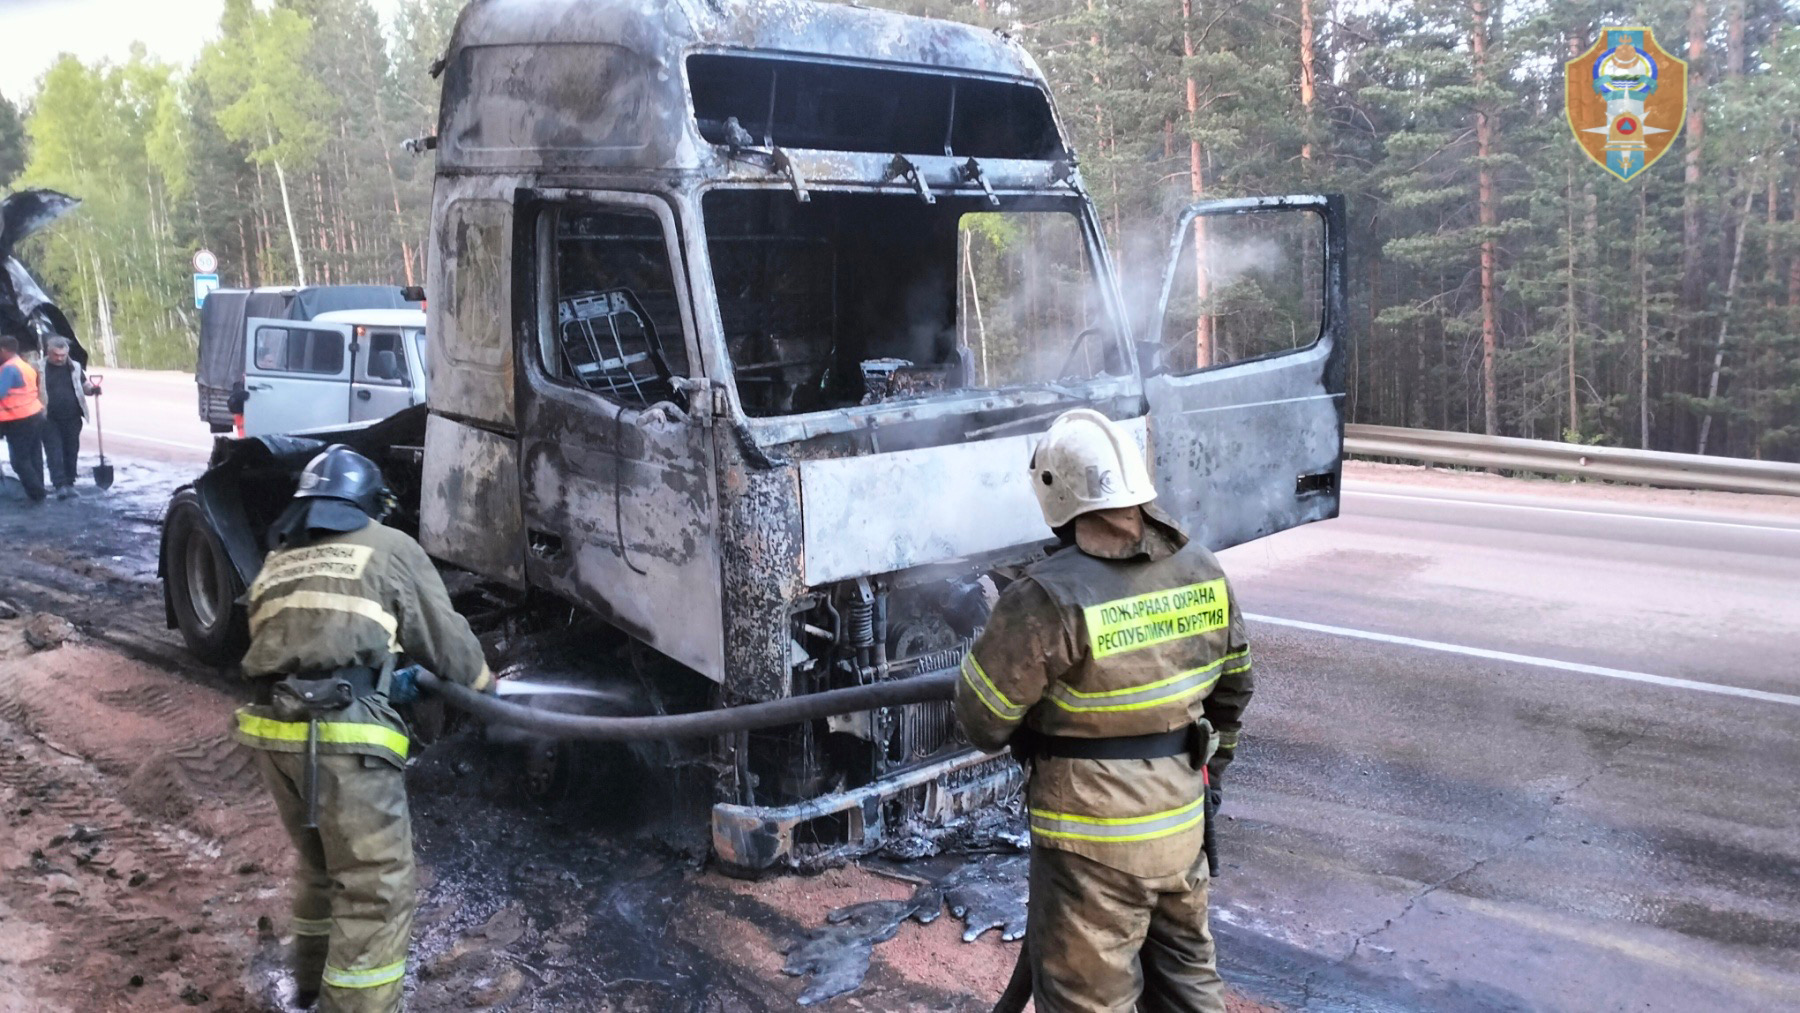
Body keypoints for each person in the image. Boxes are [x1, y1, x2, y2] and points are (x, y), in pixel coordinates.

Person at [953, 408, 1254, 1013]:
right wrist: (1204, 783)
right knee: (1190, 995)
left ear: (1054, 493)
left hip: (1089, 847)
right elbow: (1234, 691)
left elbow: (981, 720)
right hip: (1180, 832)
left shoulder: (1046, 595)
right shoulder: (1202, 569)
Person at [232, 445, 495, 1012]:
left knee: (325, 866)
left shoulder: (278, 560)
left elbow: (299, 648)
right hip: (342, 741)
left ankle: (307, 988)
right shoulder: (391, 546)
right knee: (376, 887)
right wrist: (483, 684)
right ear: (370, 506)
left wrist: (380, 677)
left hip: (275, 734)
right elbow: (449, 646)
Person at [38, 336, 97, 499]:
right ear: (48, 352)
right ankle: (59, 485)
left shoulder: (75, 367)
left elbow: (84, 385)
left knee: (71, 450)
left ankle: (70, 483)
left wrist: (92, 389)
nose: (60, 358)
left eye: (63, 355)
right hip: (48, 418)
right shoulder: (39, 368)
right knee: (54, 452)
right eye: (56, 355)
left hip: (73, 417)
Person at [0, 333, 48, 503]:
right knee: (34, 457)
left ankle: (37, 494)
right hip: (35, 415)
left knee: (19, 461)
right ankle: (39, 492)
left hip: (18, 419)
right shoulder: (24, 365)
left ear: (4, 350)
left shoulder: (9, 369)